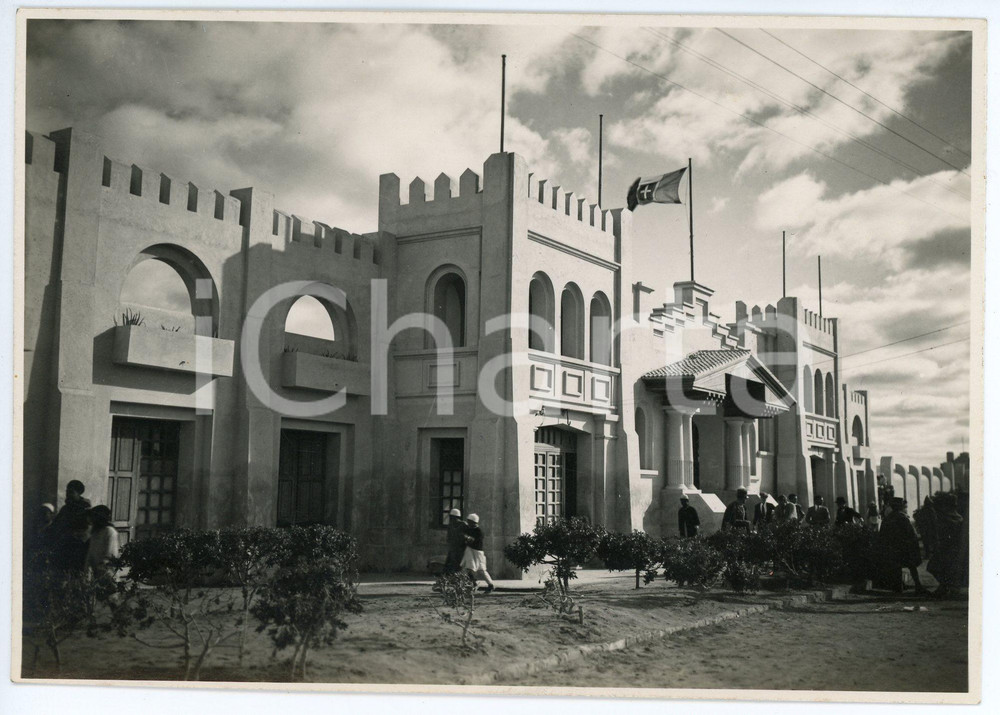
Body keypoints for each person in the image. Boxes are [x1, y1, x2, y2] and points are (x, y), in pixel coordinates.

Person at [877, 497, 927, 595]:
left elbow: (882, 535)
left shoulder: (887, 519)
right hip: (904, 547)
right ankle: (918, 586)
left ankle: (898, 587)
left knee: (896, 568)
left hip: (892, 548)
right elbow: (911, 533)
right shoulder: (903, 518)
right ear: (900, 507)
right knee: (911, 566)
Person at [926, 493, 963, 598]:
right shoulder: (954, 516)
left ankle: (945, 587)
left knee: (938, 567)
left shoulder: (949, 517)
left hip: (948, 547)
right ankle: (946, 587)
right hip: (949, 547)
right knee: (940, 567)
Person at [460, 513, 495, 593]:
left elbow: (475, 542)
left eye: (469, 521)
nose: (468, 523)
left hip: (477, 552)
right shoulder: (469, 529)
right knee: (468, 568)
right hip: (470, 550)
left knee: (481, 570)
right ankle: (473, 583)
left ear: (473, 522)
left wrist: (467, 538)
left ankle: (490, 584)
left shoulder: (479, 531)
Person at [85, 505, 120, 581]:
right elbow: (90, 554)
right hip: (95, 575)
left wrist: (100, 568)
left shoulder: (110, 532)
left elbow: (111, 555)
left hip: (107, 574)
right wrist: (87, 568)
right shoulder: (95, 533)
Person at [913, 495, 939, 560]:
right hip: (929, 529)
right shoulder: (930, 510)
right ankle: (931, 555)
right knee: (930, 543)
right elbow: (934, 520)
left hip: (927, 530)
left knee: (927, 543)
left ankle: (929, 555)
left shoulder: (924, 510)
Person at [444, 508, 468, 574]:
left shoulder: (464, 525)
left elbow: (468, 534)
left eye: (453, 517)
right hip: (453, 548)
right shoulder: (450, 525)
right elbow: (448, 537)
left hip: (461, 548)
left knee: (459, 564)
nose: (452, 519)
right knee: (451, 564)